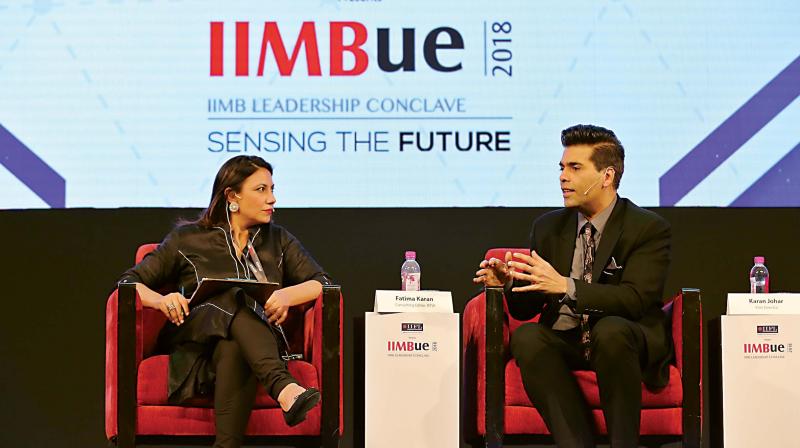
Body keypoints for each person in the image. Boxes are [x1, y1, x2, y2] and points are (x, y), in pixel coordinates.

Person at [473, 124, 672, 448]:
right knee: (528, 335)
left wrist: (567, 286)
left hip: (623, 341)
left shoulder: (647, 227)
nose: (563, 177)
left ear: (607, 176)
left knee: (611, 330)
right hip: (567, 339)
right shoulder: (549, 227)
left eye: (575, 168)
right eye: (562, 167)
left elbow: (636, 300)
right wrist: (509, 284)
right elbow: (529, 306)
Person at [118, 155, 330, 448]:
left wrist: (285, 295)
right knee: (236, 296)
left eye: (272, 189)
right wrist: (162, 300)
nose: (272, 199)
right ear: (232, 196)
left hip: (251, 346)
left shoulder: (278, 240)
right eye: (261, 190)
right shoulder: (188, 239)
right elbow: (129, 284)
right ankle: (283, 387)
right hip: (195, 343)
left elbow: (323, 284)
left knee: (233, 346)